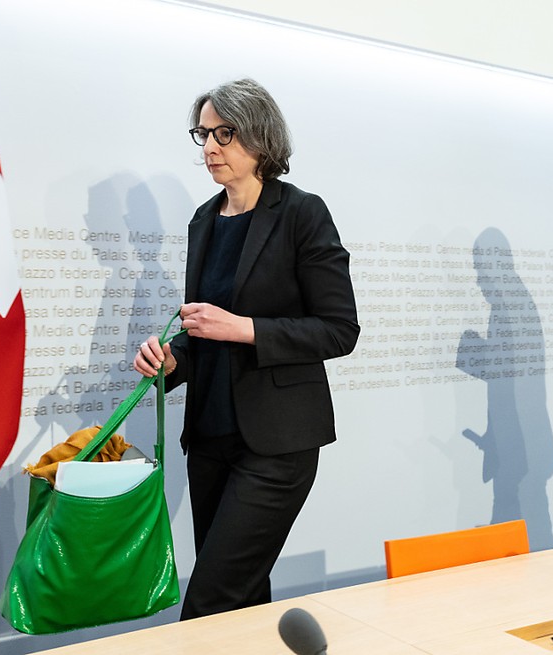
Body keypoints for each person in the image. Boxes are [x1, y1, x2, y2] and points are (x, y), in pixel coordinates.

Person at [134, 78, 359, 619]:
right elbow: (201, 335)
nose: (209, 147)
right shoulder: (204, 220)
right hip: (209, 439)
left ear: (260, 137)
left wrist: (245, 328)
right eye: (204, 134)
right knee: (241, 605)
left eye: (224, 133)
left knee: (211, 601)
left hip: (277, 444)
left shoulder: (303, 213)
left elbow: (338, 329)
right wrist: (171, 361)